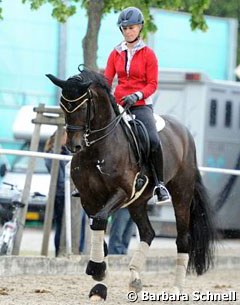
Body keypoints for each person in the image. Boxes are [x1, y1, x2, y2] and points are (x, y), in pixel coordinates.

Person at [104, 6, 171, 204]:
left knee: (152, 139)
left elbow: (153, 84)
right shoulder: (115, 53)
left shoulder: (148, 54)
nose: (127, 31)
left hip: (140, 105)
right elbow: (107, 79)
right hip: (118, 104)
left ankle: (159, 184)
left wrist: (137, 95)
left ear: (140, 28)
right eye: (124, 28)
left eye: (131, 28)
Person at [44, 128, 70, 257]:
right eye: (66, 136)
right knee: (60, 225)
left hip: (67, 192)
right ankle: (58, 251)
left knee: (67, 225)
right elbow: (59, 179)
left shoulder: (66, 152)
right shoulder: (52, 153)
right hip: (60, 194)